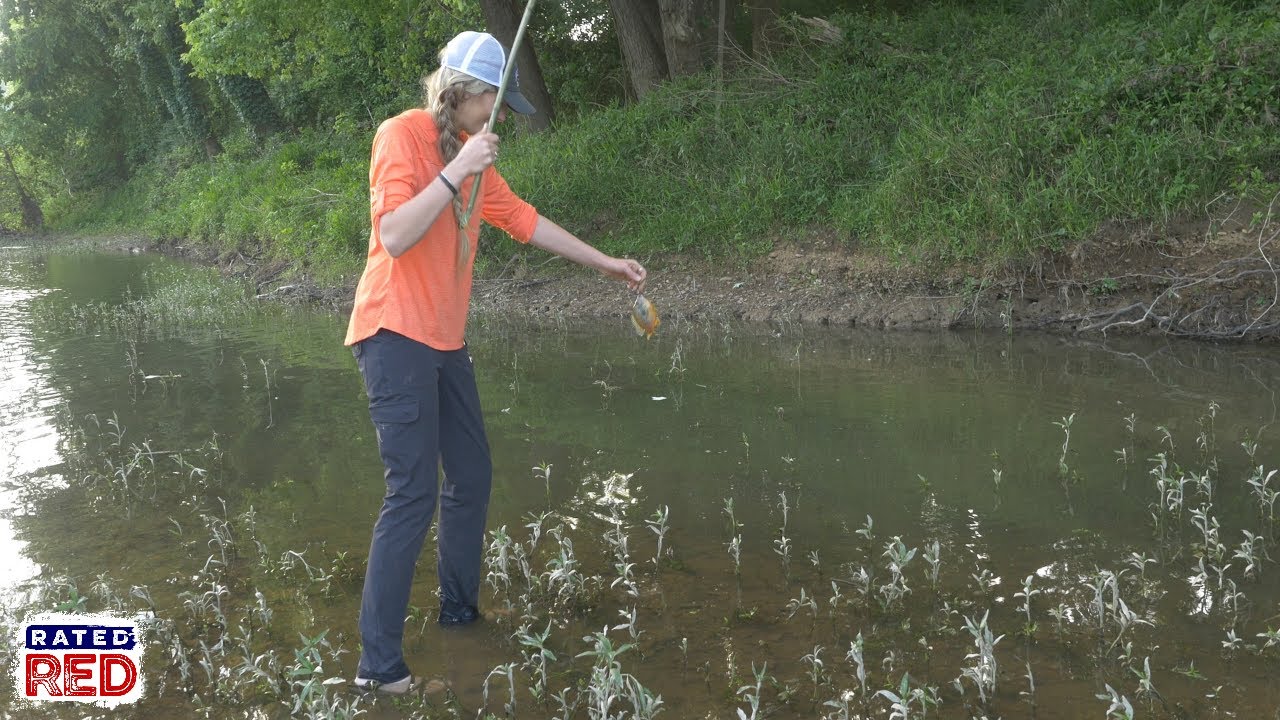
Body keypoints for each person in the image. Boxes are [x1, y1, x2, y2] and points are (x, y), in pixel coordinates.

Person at [344, 30, 646, 694]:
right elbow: (393, 235)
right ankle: (379, 668)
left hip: (446, 346)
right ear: (462, 94)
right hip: (393, 334)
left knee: (472, 477)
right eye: (495, 104)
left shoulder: (477, 165)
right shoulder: (403, 136)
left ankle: (458, 613)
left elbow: (527, 222)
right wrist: (456, 169)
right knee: (412, 493)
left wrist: (606, 265)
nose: (501, 118)